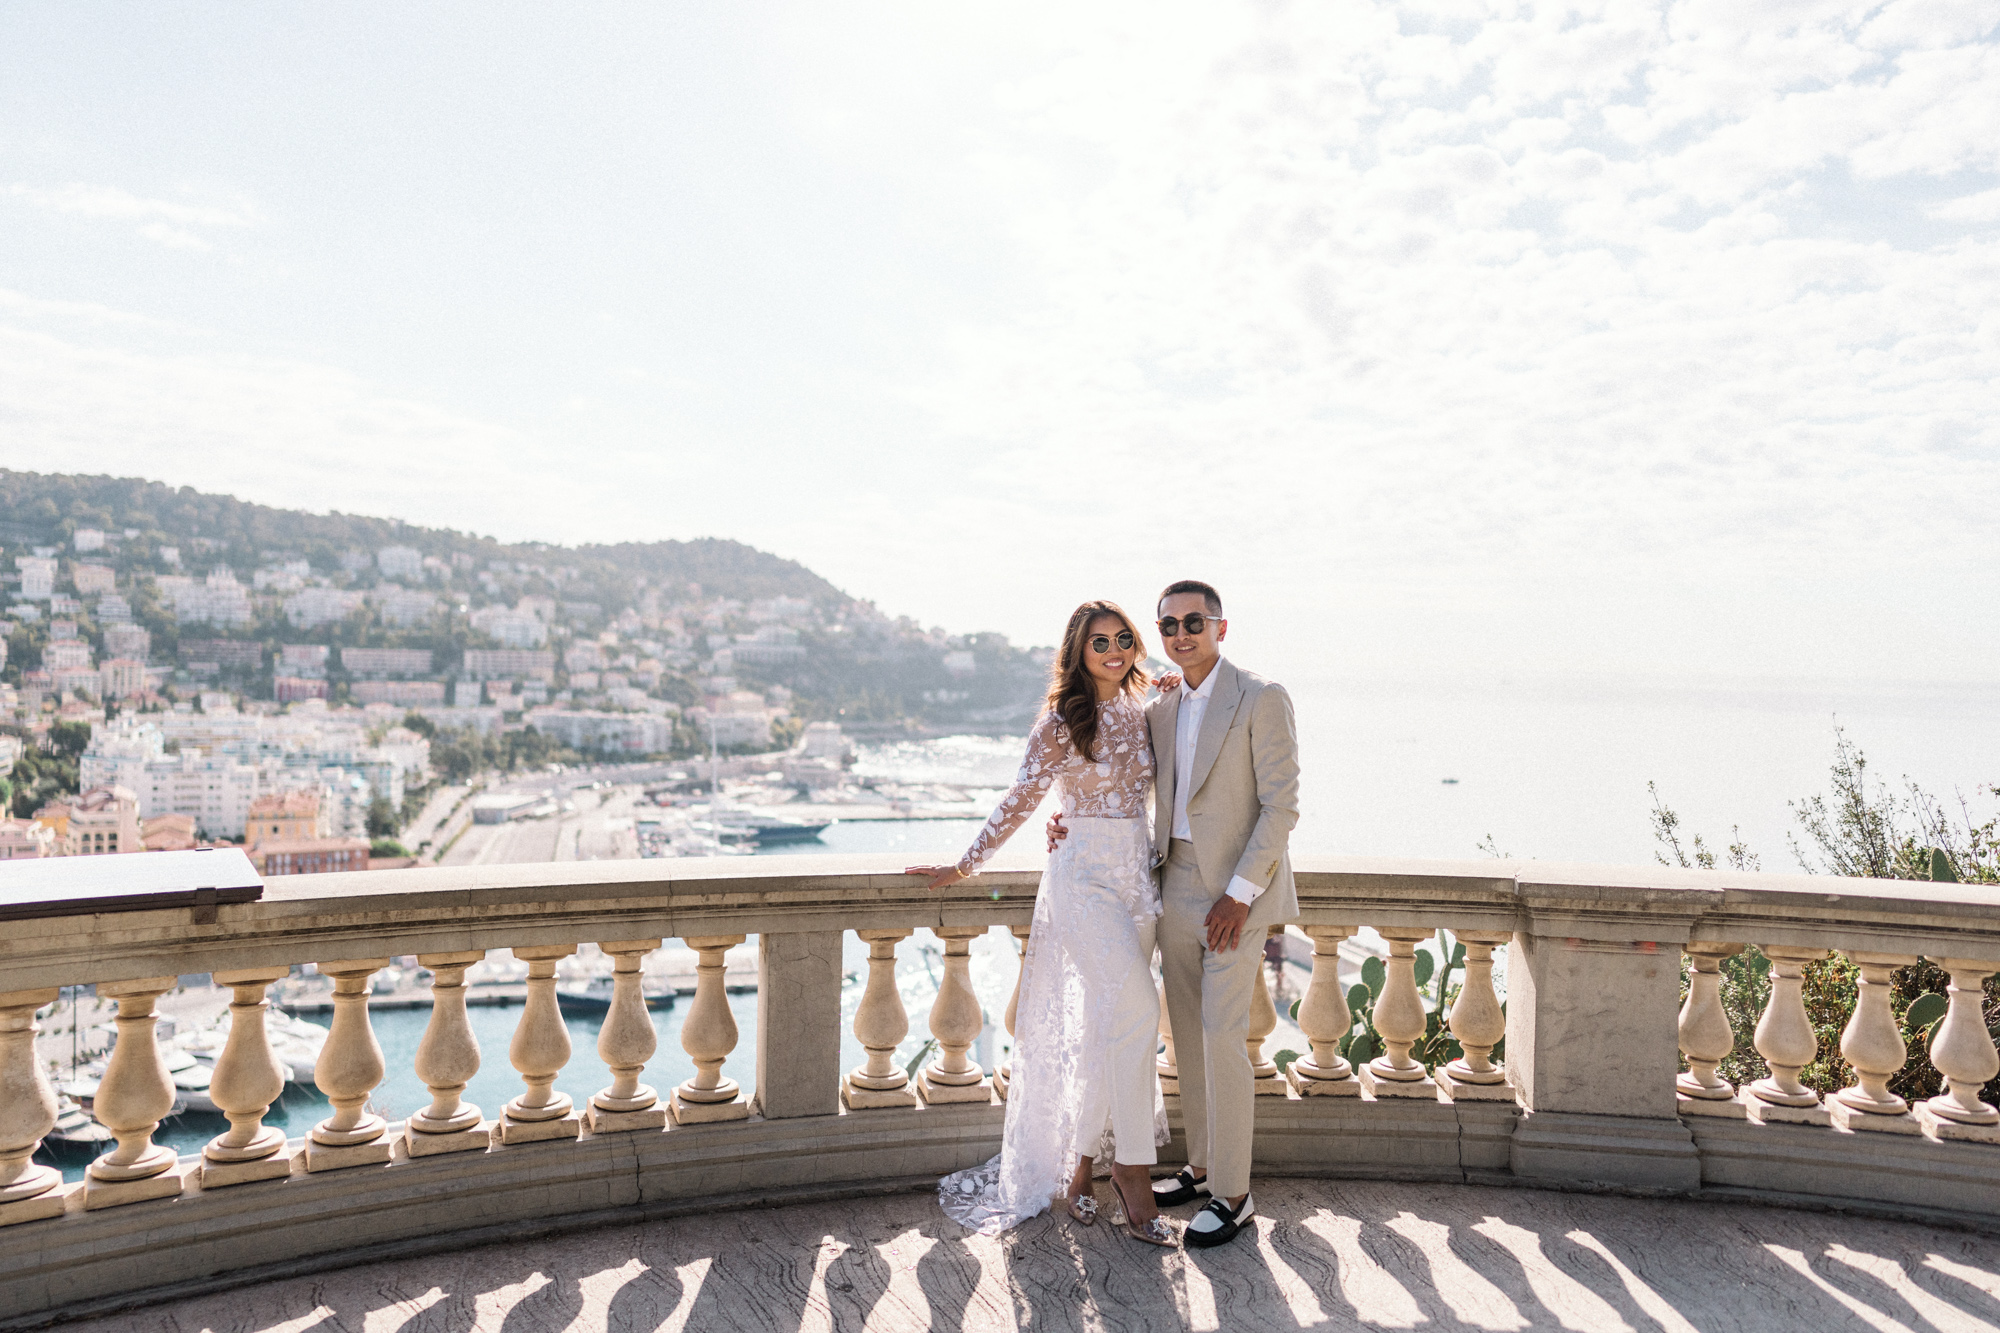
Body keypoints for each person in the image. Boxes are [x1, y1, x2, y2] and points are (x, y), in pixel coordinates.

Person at [906, 600, 1174, 1246]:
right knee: (1138, 1007)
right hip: (1081, 881)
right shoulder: (1061, 721)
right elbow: (1019, 798)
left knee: (1106, 1032)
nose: (1112, 649)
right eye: (1098, 642)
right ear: (1077, 652)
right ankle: (1131, 1173)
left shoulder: (1148, 706)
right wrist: (964, 863)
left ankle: (1080, 1170)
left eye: (1122, 638)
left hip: (1137, 883)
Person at [1049, 578, 1299, 1248]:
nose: (1181, 633)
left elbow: (1283, 807)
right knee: (1186, 1033)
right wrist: (1065, 821)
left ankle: (1235, 1193)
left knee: (1222, 1033)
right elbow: (1111, 776)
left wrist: (1240, 895)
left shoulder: (1262, 697)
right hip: (1171, 881)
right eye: (1169, 624)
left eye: (1194, 621)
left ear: (1222, 626)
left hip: (1233, 893)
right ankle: (1200, 1166)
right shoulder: (1158, 706)